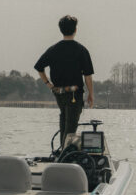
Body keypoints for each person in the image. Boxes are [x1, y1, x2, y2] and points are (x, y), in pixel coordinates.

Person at [34, 14, 94, 150]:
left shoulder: (53, 49)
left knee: (64, 122)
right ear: (75, 30)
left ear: (61, 29)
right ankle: (65, 158)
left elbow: (39, 67)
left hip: (59, 93)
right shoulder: (81, 50)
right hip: (74, 94)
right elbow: (88, 76)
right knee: (71, 129)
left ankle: (63, 154)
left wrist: (48, 84)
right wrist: (91, 94)